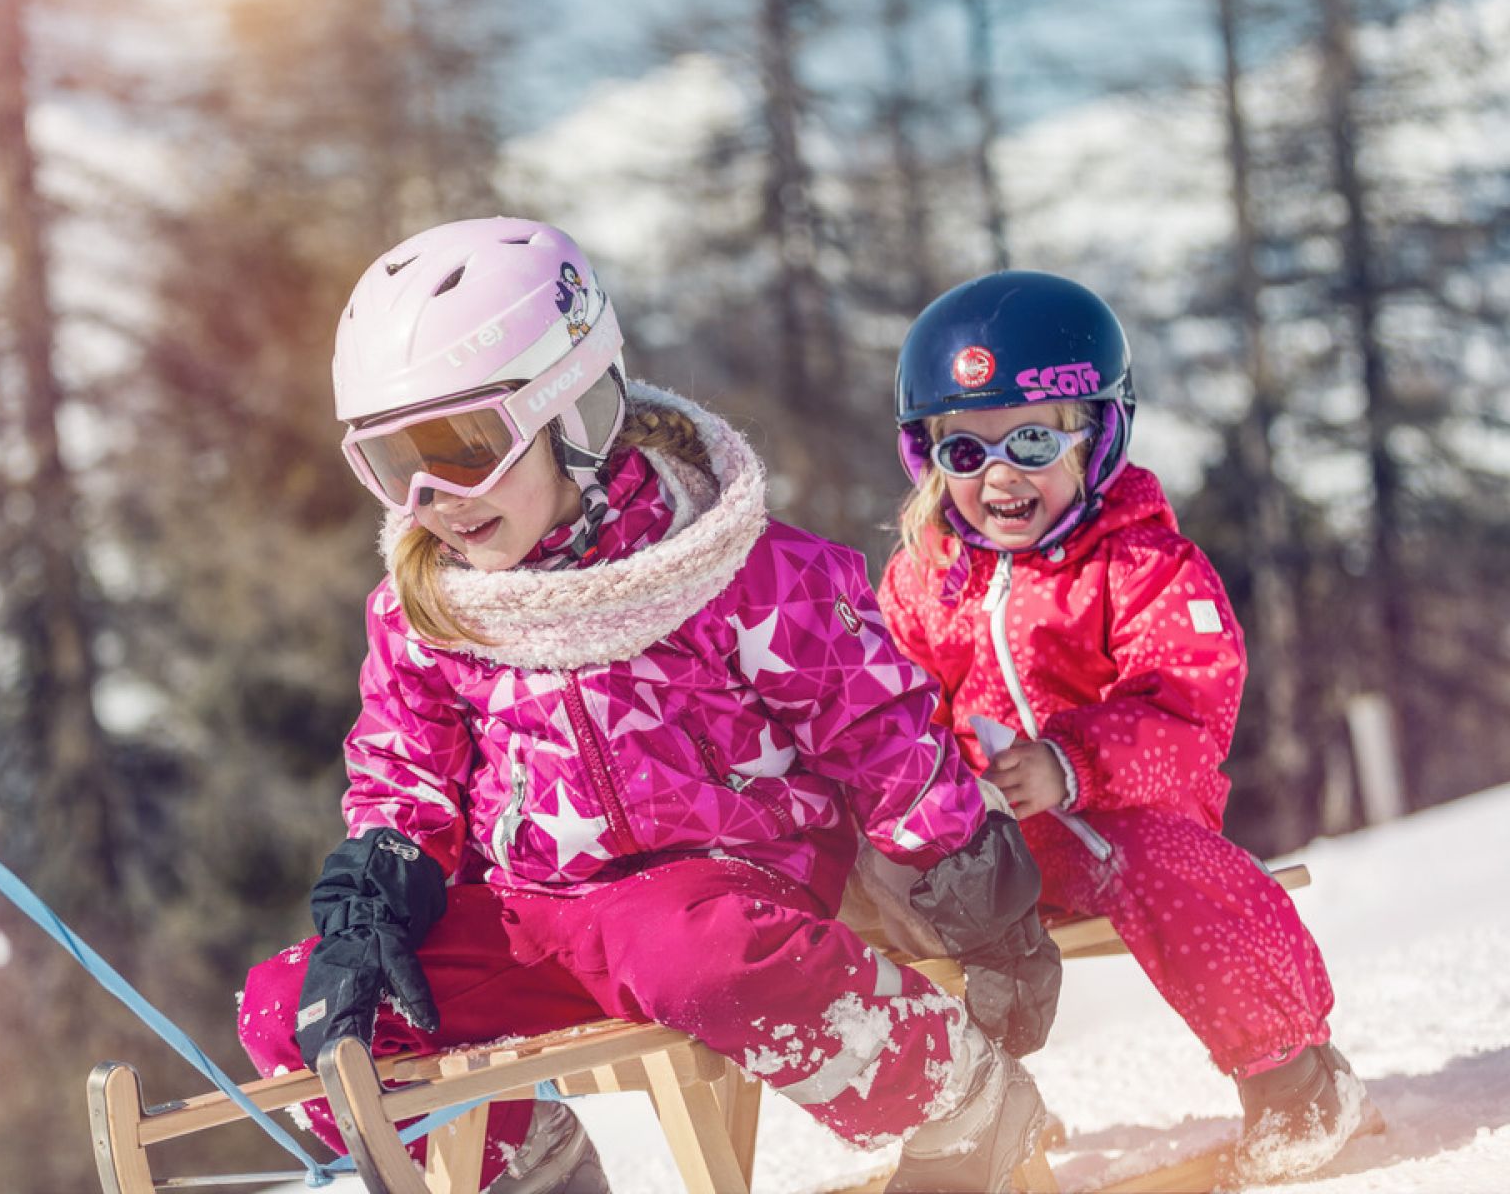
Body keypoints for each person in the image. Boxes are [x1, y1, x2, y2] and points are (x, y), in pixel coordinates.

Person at [235, 218, 1062, 1194]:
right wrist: (371, 903)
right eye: (388, 461)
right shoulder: (430, 613)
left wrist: (969, 879)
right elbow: (402, 776)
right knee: (296, 1006)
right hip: (530, 911)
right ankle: (526, 1164)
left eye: (461, 448)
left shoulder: (735, 568)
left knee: (690, 956)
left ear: (573, 409)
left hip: (714, 893)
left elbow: (874, 725)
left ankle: (963, 1102)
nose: (432, 497)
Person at [876, 269, 1376, 1183]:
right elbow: (895, 709)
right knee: (880, 894)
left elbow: (1189, 702)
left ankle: (1296, 1081)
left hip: (1132, 815)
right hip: (994, 842)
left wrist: (1072, 763)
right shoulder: (925, 577)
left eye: (1030, 440)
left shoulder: (1141, 561)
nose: (999, 476)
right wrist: (937, 794)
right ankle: (977, 1119)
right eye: (966, 452)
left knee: (1163, 870)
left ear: (1093, 436)